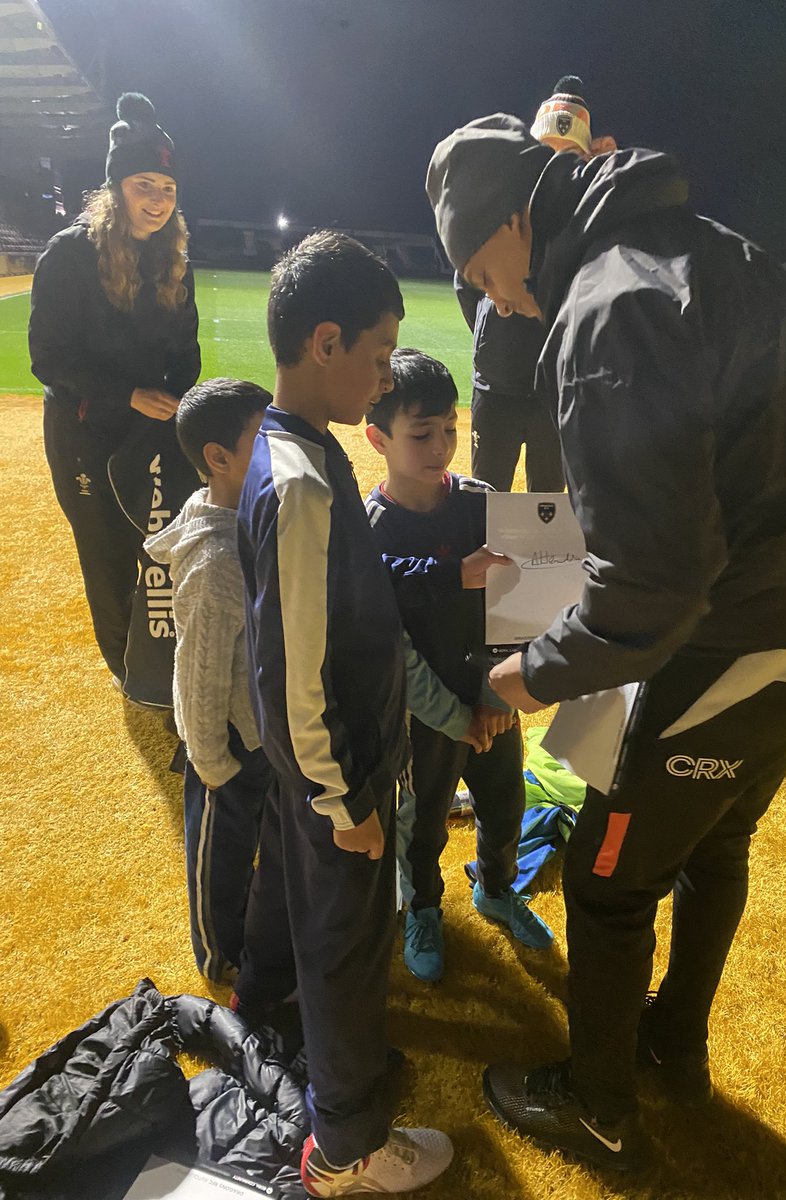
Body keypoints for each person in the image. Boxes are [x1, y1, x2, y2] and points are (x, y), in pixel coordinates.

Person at [426, 115, 786, 1170]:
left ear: (515, 217)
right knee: (713, 838)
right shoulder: (702, 246)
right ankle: (674, 1050)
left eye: (480, 268)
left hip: (757, 630)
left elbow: (653, 592)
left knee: (606, 876)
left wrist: (528, 672)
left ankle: (596, 1104)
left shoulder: (605, 310)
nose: (488, 296)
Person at [233, 233, 453, 1197]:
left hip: (322, 770)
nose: (383, 376)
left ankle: (272, 1015)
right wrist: (342, 799)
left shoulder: (297, 447)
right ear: (325, 343)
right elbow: (296, 674)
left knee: (303, 926)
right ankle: (350, 1148)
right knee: (349, 948)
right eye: (375, 356)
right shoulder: (304, 485)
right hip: (339, 775)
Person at [364, 348, 554, 984]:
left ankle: (496, 889)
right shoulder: (371, 527)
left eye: (450, 427)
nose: (442, 445)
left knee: (505, 804)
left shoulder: (482, 504)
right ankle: (421, 906)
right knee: (420, 822)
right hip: (425, 715)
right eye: (421, 433)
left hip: (491, 701)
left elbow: (524, 608)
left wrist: (499, 700)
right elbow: (379, 617)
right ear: (377, 437)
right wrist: (453, 715)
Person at [29, 92, 200, 697]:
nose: (157, 201)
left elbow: (187, 346)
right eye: (143, 185)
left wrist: (177, 398)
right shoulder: (71, 253)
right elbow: (47, 358)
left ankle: (164, 665)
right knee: (106, 558)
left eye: (168, 190)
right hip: (85, 434)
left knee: (156, 545)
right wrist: (127, 393)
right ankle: (131, 675)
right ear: (116, 187)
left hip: (150, 431)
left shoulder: (174, 256)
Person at [145, 378, 271, 984]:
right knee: (219, 853)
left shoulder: (240, 506)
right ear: (217, 459)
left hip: (260, 728)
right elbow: (197, 678)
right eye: (262, 436)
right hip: (226, 745)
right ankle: (218, 952)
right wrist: (212, 764)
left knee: (256, 842)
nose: (277, 445)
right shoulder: (215, 566)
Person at [454, 76, 616, 492]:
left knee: (547, 504)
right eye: (547, 154)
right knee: (486, 500)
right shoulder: (501, 206)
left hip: (555, 391)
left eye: (568, 156)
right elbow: (466, 279)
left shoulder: (591, 214)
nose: (554, 166)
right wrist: (492, 332)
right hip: (498, 386)